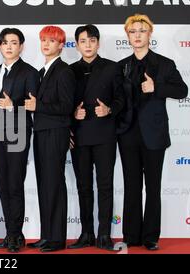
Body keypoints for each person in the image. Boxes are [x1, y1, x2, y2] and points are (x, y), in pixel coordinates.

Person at [117, 14, 188, 251]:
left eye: (141, 31)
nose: (137, 35)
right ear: (127, 36)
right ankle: (131, 235)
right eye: (133, 32)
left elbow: (182, 90)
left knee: (153, 186)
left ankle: (150, 237)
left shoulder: (165, 64)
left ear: (149, 34)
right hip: (127, 133)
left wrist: (157, 87)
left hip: (154, 134)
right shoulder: (121, 66)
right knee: (131, 185)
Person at [68, 24, 124, 251]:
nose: (88, 44)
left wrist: (109, 109)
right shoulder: (69, 71)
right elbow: (63, 102)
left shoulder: (112, 68)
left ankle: (103, 235)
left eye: (92, 40)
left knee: (105, 186)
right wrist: (73, 114)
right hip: (79, 137)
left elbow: (122, 99)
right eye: (83, 40)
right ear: (77, 44)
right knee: (83, 187)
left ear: (98, 43)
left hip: (105, 136)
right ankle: (86, 233)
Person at [24, 25, 75, 252]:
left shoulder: (64, 71)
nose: (46, 44)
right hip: (42, 132)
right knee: (45, 185)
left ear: (61, 45)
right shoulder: (42, 71)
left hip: (56, 133)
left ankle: (56, 239)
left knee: (54, 184)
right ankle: (47, 236)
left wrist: (38, 106)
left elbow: (66, 106)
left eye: (52, 41)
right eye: (44, 40)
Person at [0, 28, 39, 253]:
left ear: (21, 46)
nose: (9, 46)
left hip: (19, 132)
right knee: (2, 185)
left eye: (14, 42)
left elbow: (32, 106)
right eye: (5, 43)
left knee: (15, 184)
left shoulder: (30, 72)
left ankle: (15, 235)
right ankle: (11, 233)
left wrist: (13, 106)